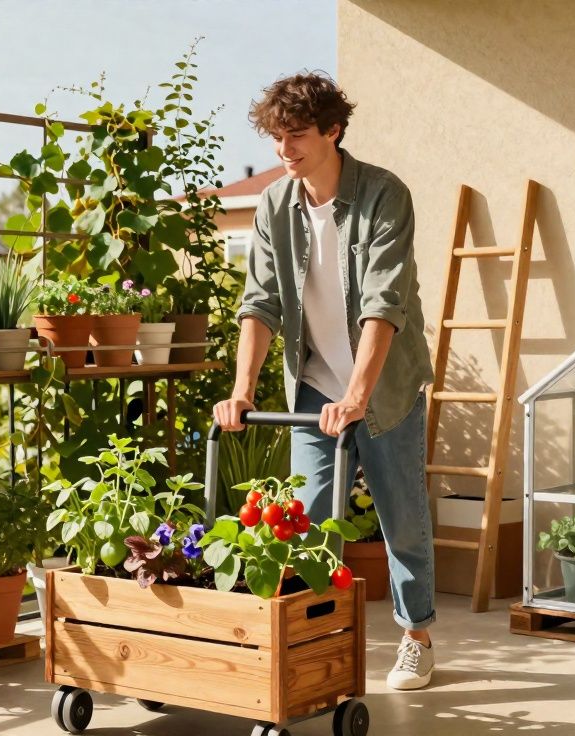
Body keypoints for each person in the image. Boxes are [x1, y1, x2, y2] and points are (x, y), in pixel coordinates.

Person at [212, 72, 436, 690]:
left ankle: (416, 636)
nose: (285, 150)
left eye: (298, 135)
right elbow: (259, 305)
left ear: (333, 131)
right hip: (313, 386)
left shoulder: (384, 195)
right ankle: (315, 641)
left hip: (382, 386)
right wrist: (242, 390)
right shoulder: (274, 206)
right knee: (306, 520)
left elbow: (384, 304)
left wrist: (358, 395)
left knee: (402, 520)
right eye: (277, 137)